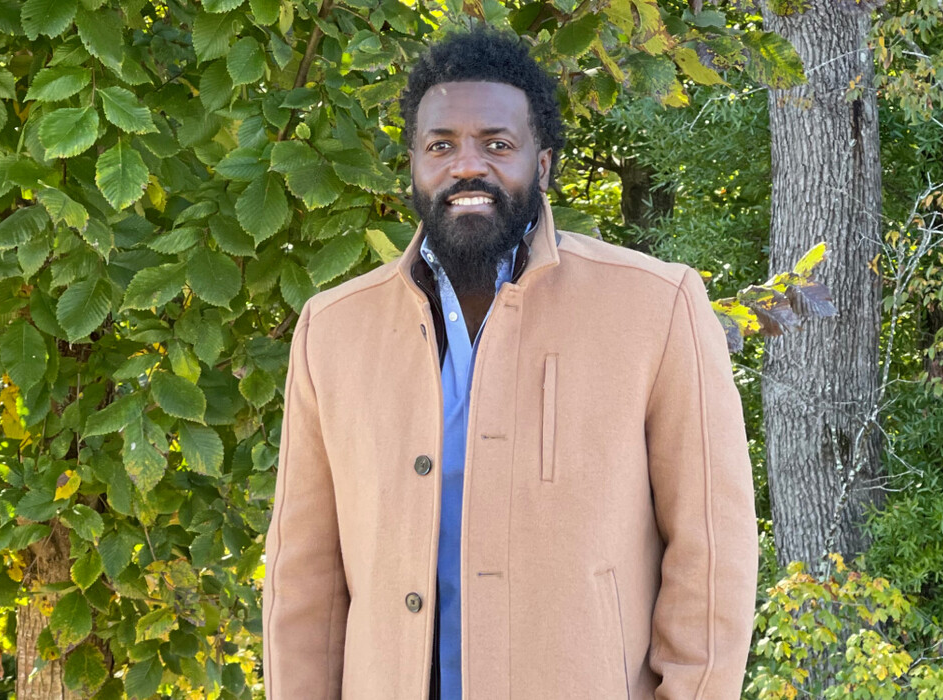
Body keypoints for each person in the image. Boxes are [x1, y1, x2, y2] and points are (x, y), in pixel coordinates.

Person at [260, 27, 758, 700]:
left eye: (497, 144)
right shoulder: (333, 330)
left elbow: (712, 556)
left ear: (543, 164)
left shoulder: (656, 307)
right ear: (412, 164)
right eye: (442, 146)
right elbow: (303, 580)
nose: (469, 166)